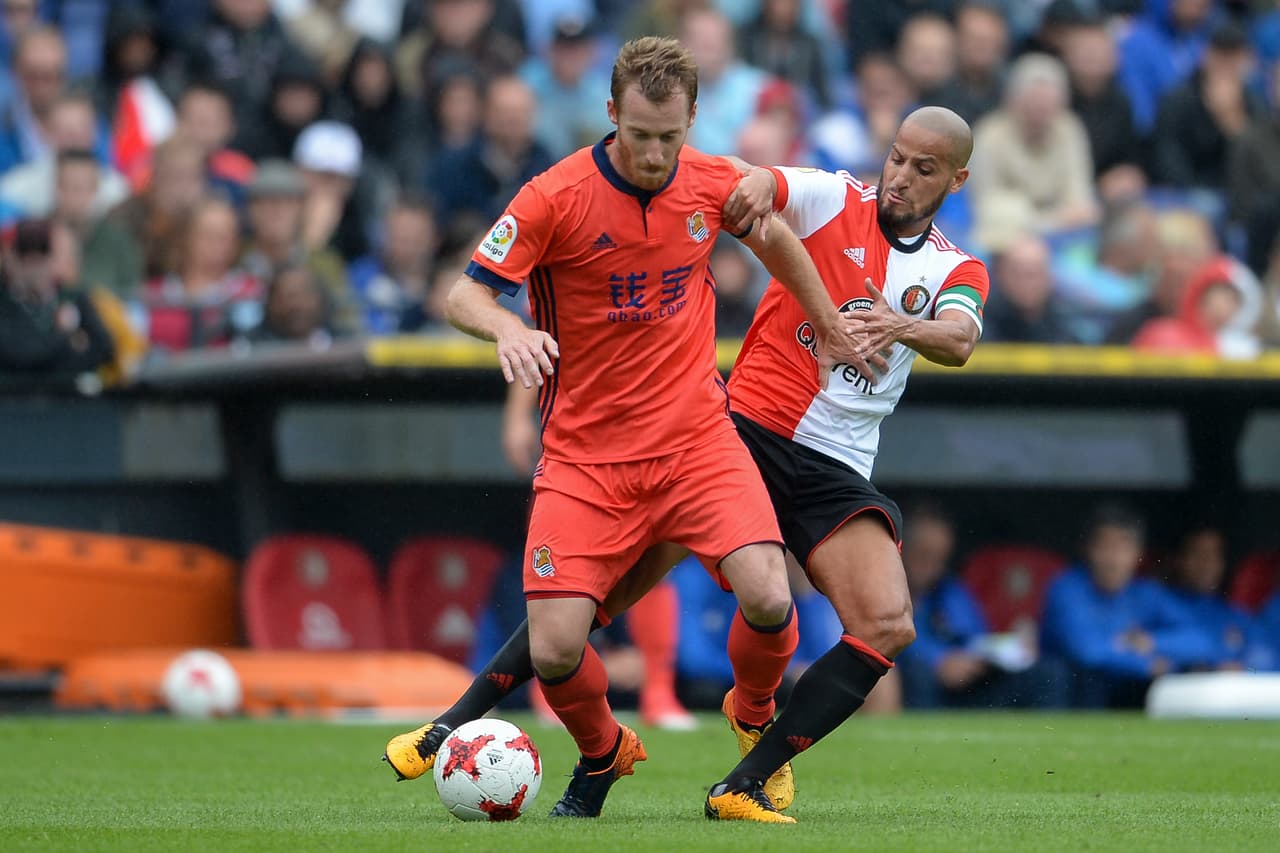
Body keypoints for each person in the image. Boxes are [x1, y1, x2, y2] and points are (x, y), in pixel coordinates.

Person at [386, 102, 990, 825]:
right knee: (600, 590)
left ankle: (747, 767)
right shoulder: (836, 196)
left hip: (835, 464)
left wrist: (901, 323)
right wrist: (760, 182)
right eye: (896, 157)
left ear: (955, 179)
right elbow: (755, 187)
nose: (899, 178)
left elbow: (958, 339)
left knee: (888, 623)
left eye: (922, 169)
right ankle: (453, 719)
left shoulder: (958, 266)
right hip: (742, 433)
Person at [1040, 504, 1214, 708]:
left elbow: (1202, 641)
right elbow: (1087, 651)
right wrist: (1144, 664)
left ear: (1137, 553)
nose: (1113, 560)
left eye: (1123, 548)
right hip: (1076, 698)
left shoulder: (1146, 593)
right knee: (1066, 675)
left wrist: (1151, 642)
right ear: (1088, 549)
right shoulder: (1067, 589)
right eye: (1104, 547)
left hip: (1127, 694)